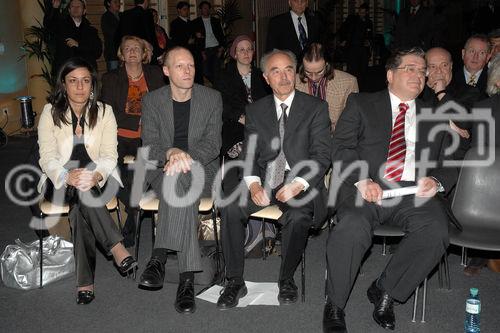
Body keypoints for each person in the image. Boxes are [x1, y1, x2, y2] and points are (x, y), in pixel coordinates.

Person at [323, 48, 458, 332]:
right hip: (368, 186)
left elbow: (450, 159)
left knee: (436, 230)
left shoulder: (435, 113)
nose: (418, 75)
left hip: (413, 192)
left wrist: (436, 180)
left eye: (422, 71)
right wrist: (362, 180)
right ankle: (335, 304)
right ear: (389, 75)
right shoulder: (361, 103)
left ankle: (386, 289)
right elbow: (341, 146)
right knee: (352, 225)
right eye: (410, 68)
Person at [217, 49, 331, 309]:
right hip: (266, 177)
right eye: (276, 71)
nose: (283, 76)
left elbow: (322, 156)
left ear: (296, 73)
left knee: (299, 216)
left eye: (288, 69)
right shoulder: (256, 110)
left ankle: (287, 278)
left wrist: (297, 185)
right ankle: (234, 280)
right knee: (231, 207)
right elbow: (249, 153)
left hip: (302, 179)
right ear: (266, 78)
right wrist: (254, 184)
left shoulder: (315, 108)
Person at [37, 57, 136, 305]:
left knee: (81, 205)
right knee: (81, 191)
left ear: (92, 85)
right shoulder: (51, 112)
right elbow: (47, 157)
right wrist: (65, 175)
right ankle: (117, 247)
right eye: (73, 81)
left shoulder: (104, 112)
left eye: (85, 81)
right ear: (63, 84)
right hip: (58, 179)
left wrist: (96, 175)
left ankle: (85, 284)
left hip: (98, 178)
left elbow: (110, 155)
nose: (80, 87)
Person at [138, 47, 222, 314]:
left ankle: (158, 257)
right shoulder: (152, 101)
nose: (187, 71)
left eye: (191, 65)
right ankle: (186, 281)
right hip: (161, 169)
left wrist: (184, 156)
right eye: (180, 66)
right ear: (166, 71)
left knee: (180, 179)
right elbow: (149, 146)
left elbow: (213, 144)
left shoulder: (212, 97)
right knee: (177, 180)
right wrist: (169, 153)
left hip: (202, 169)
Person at [100, 36, 165, 247]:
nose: (132, 52)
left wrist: (151, 122)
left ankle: (130, 224)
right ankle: (134, 210)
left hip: (150, 137)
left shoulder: (155, 74)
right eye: (127, 48)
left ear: (144, 53)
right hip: (119, 137)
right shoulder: (111, 78)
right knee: (118, 175)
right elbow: (108, 112)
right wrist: (141, 119)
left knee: (141, 174)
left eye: (136, 48)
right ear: (121, 54)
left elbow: (164, 104)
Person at [214, 35, 270, 190]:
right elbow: (221, 103)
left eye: (249, 49)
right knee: (245, 147)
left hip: (260, 124)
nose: (246, 53)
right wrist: (240, 117)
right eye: (242, 50)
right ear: (235, 54)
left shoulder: (262, 75)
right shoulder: (224, 75)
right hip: (235, 124)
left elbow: (269, 101)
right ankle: (241, 189)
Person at [463, 54, 500, 276]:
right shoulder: (484, 108)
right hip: (492, 188)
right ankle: (484, 253)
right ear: (497, 81)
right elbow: (479, 160)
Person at [295, 43, 358, 131]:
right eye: (308, 72)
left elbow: (352, 122)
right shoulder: (293, 83)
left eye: (319, 72)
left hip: (335, 141)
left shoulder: (348, 83)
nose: (313, 78)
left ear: (327, 65)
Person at [44, 0, 102, 73]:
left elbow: (98, 51)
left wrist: (79, 45)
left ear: (84, 11)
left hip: (85, 70)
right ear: (69, 10)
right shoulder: (61, 26)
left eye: (78, 6)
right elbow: (48, 25)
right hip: (65, 70)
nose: (75, 8)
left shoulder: (91, 31)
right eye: (72, 6)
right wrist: (55, 8)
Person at [191, 1, 225, 83]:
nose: (206, 9)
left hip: (216, 48)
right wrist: (201, 52)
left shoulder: (215, 21)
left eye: (207, 8)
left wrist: (221, 48)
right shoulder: (195, 22)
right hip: (204, 50)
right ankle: (215, 85)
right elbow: (193, 39)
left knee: (217, 71)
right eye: (204, 8)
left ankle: (216, 88)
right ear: (200, 10)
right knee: (205, 71)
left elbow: (221, 36)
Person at [338, 1, 373, 81]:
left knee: (363, 69)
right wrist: (343, 40)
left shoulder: (369, 22)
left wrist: (368, 41)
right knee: (352, 69)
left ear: (367, 12)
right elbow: (342, 29)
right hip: (352, 48)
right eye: (360, 12)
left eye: (363, 12)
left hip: (363, 49)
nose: (361, 14)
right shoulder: (352, 19)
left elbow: (370, 36)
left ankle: (361, 87)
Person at [101, 0, 121, 72]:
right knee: (113, 77)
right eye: (115, 2)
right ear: (108, 3)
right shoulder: (106, 17)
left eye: (118, 2)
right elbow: (111, 33)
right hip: (112, 53)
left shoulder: (121, 15)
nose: (118, 4)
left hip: (123, 52)